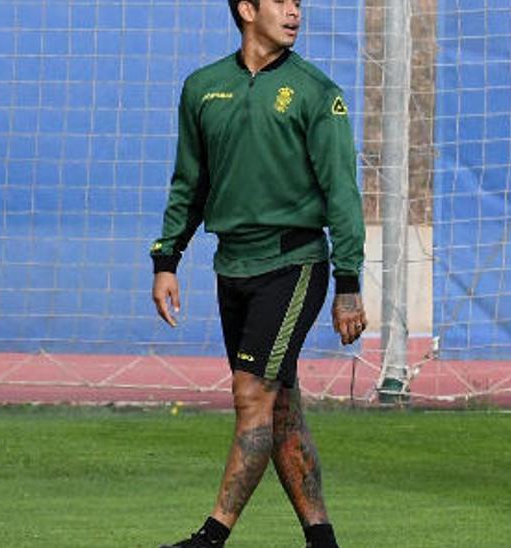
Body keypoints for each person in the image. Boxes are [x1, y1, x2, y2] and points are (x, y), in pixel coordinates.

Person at [150, 0, 366, 546]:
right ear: (247, 9)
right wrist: (167, 260)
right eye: (282, 1)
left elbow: (342, 191)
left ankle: (210, 537)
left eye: (299, 4)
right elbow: (189, 183)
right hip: (233, 266)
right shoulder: (203, 88)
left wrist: (348, 283)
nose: (295, 12)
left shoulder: (318, 93)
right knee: (282, 406)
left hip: (294, 264)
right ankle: (323, 540)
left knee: (251, 396)